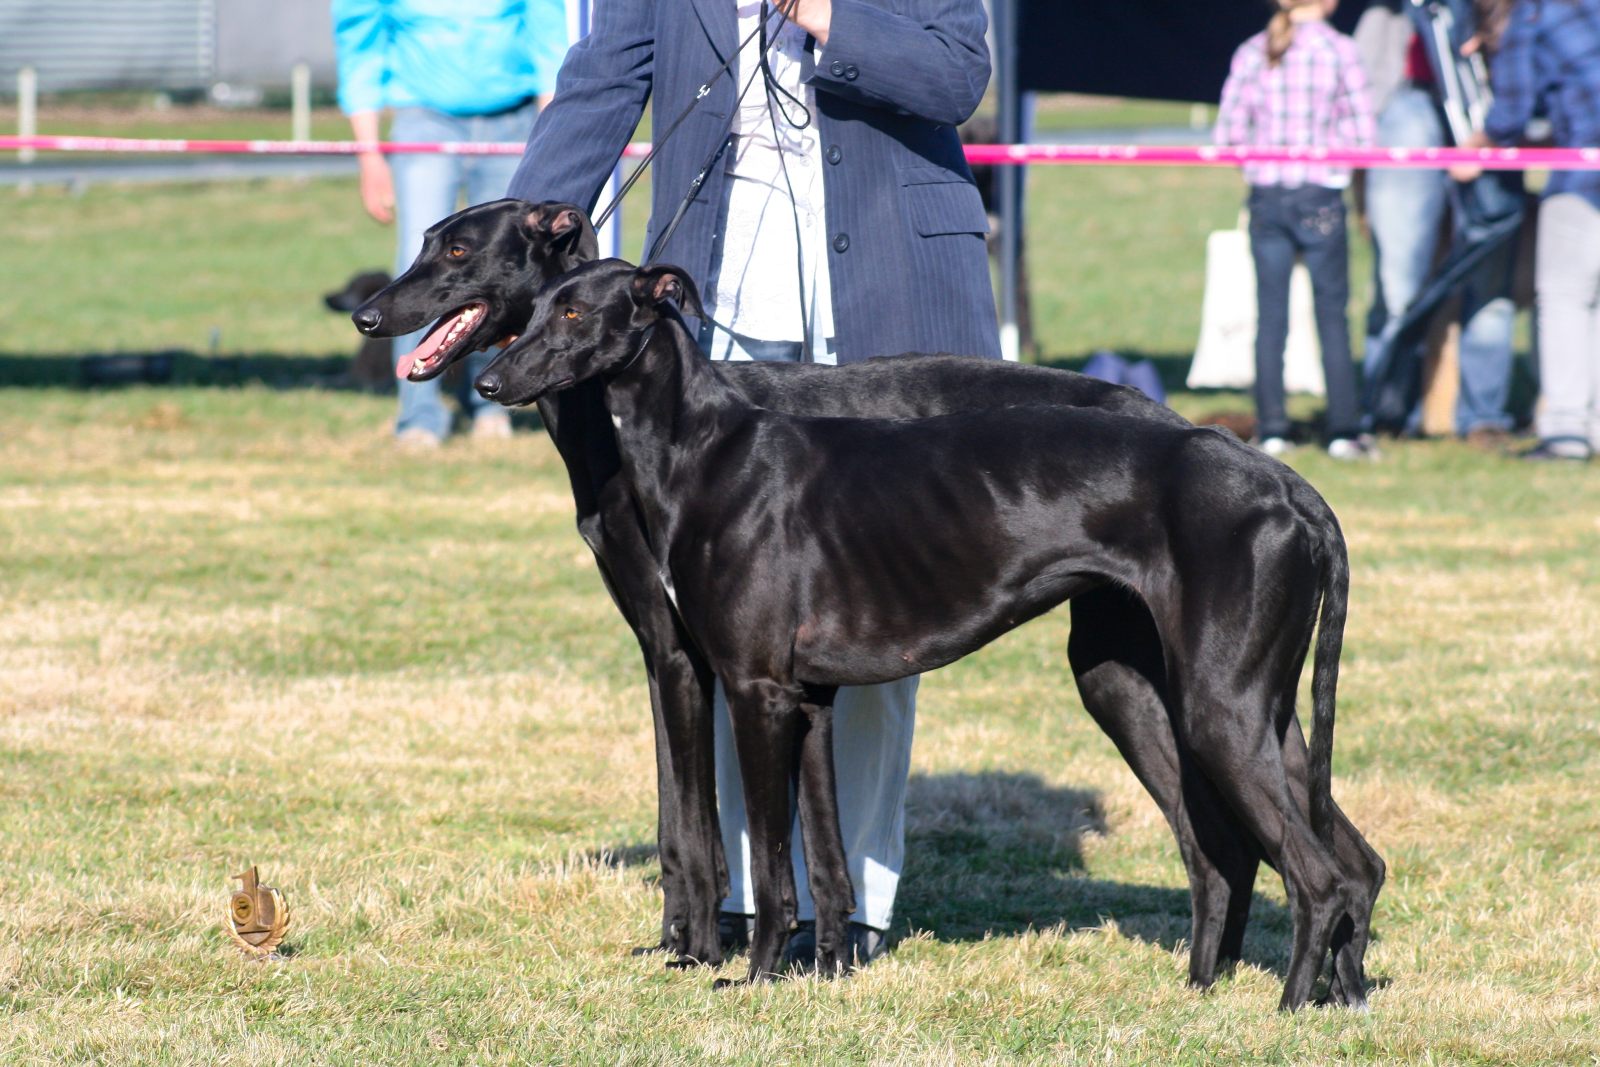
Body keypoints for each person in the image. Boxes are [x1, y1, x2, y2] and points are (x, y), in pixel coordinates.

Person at [504, 0, 999, 963]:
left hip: (888, 296)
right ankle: (734, 896)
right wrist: (520, 247)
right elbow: (601, 82)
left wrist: (821, 14)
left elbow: (956, 78)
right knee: (710, 617)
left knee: (869, 606)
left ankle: (853, 904)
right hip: (711, 305)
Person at [333, 0, 568, 448]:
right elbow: (358, 44)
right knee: (418, 269)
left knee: (502, 277)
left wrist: (547, 142)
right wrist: (369, 156)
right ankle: (418, 415)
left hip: (515, 119)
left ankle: (489, 401)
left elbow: (549, 43)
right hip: (423, 120)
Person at [1216, 0, 1379, 459]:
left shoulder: (1253, 50)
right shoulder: (1341, 50)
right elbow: (1365, 137)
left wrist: (1260, 166)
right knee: (1332, 315)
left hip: (1268, 198)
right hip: (1321, 198)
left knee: (1271, 318)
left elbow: (1228, 134)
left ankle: (1273, 429)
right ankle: (1343, 430)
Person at [1356, 0, 1522, 448]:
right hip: (1408, 100)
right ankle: (1385, 408)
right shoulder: (1388, 19)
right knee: (1399, 281)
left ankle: (1484, 418)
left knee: (1490, 278)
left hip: (1487, 106)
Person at [1457, 0, 1600, 462]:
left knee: (1564, 298)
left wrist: (1474, 148)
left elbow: (1511, 111)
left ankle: (1564, 432)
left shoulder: (1533, 13)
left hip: (1581, 178)